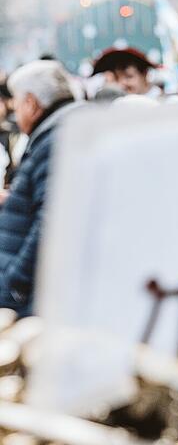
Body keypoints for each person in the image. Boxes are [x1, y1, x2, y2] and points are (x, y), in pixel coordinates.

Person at [0, 60, 83, 314]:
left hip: (29, 295)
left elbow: (50, 219)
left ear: (32, 104)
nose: (14, 111)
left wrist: (16, 283)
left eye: (16, 102)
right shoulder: (62, 132)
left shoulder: (55, 140)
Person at [91, 47, 159, 96]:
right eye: (116, 78)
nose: (122, 83)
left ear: (145, 74)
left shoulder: (161, 102)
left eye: (129, 76)